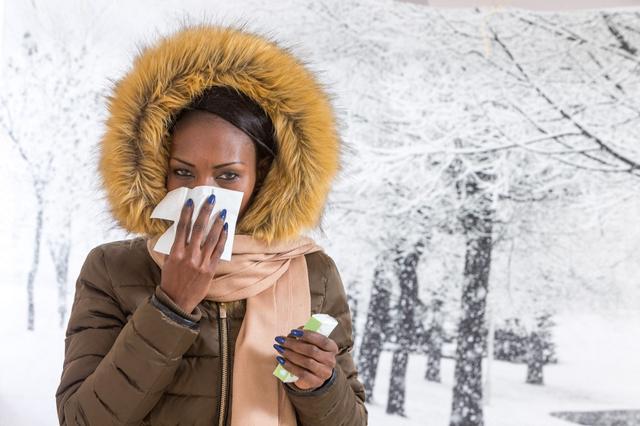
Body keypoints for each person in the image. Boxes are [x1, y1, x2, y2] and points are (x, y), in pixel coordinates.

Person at [55, 23, 367, 426]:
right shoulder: (113, 269)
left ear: (264, 178)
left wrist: (322, 385)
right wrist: (170, 305)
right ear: (157, 170)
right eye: (183, 172)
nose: (202, 193)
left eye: (227, 177)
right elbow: (81, 420)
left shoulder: (312, 273)